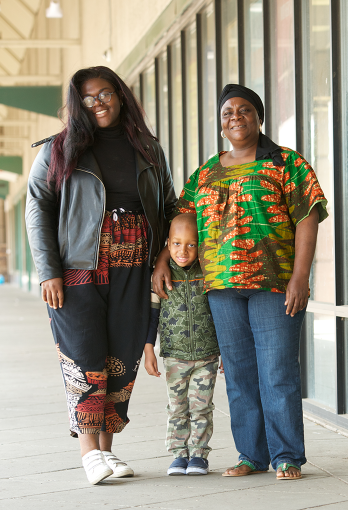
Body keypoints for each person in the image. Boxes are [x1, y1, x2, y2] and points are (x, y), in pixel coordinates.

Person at [153, 83, 328, 480]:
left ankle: (287, 456)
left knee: (277, 370)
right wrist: (163, 259)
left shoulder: (286, 164)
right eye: (228, 112)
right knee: (239, 372)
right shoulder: (205, 174)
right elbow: (183, 221)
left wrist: (300, 276)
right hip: (221, 288)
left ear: (259, 117)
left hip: (274, 284)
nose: (236, 117)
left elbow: (308, 218)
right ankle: (251, 455)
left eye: (244, 110)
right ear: (220, 124)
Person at [25, 66, 176, 485]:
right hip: (78, 270)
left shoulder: (147, 148)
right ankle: (89, 452)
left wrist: (164, 255)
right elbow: (37, 208)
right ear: (78, 106)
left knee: (121, 360)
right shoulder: (58, 150)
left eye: (105, 93)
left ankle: (107, 453)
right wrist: (47, 272)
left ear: (120, 95)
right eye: (89, 98)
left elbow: (168, 203)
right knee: (85, 358)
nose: (99, 103)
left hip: (135, 266)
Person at [144, 214, 220, 476]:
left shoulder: (209, 274)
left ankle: (198, 454)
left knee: (201, 406)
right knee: (177, 407)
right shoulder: (161, 276)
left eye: (191, 244)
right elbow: (151, 316)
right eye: (176, 244)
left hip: (207, 355)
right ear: (167, 244)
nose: (183, 251)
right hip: (174, 356)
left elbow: (223, 315)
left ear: (200, 245)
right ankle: (178, 455)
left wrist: (228, 353)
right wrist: (148, 349)